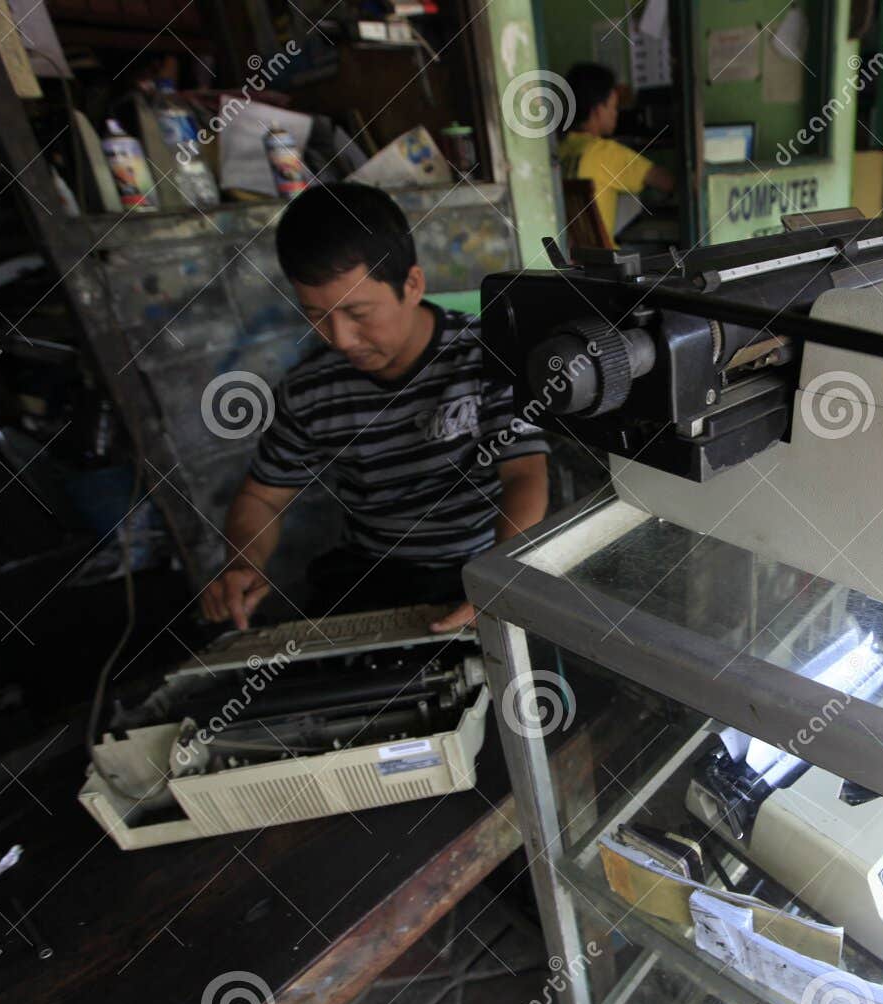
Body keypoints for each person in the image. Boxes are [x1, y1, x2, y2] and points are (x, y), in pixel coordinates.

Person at [200, 183, 549, 633]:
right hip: (372, 571)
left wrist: (499, 581)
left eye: (359, 313)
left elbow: (524, 473)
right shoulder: (310, 389)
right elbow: (262, 496)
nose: (340, 338)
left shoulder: (485, 356)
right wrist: (242, 563)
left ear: (412, 284)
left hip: (481, 560)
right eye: (315, 314)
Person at [557, 62, 675, 245]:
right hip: (606, 264)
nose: (616, 114)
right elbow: (668, 182)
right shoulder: (604, 152)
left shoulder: (561, 150)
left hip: (576, 264)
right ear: (597, 110)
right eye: (612, 107)